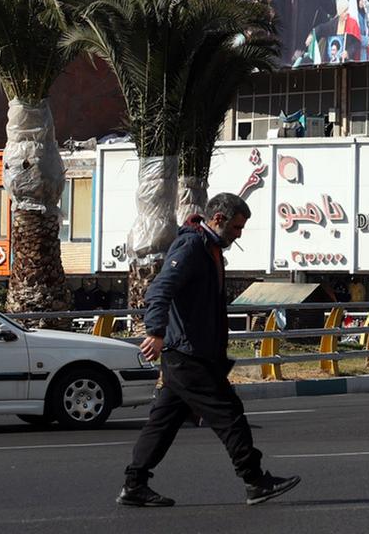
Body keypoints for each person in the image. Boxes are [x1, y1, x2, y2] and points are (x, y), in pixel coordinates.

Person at [120, 193, 300, 508]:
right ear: (217, 219)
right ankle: (255, 481)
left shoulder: (209, 248)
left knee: (162, 424)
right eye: (236, 227)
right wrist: (156, 332)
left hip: (193, 355)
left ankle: (135, 485)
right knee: (230, 416)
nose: (239, 234)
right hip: (187, 356)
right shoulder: (191, 248)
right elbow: (160, 289)